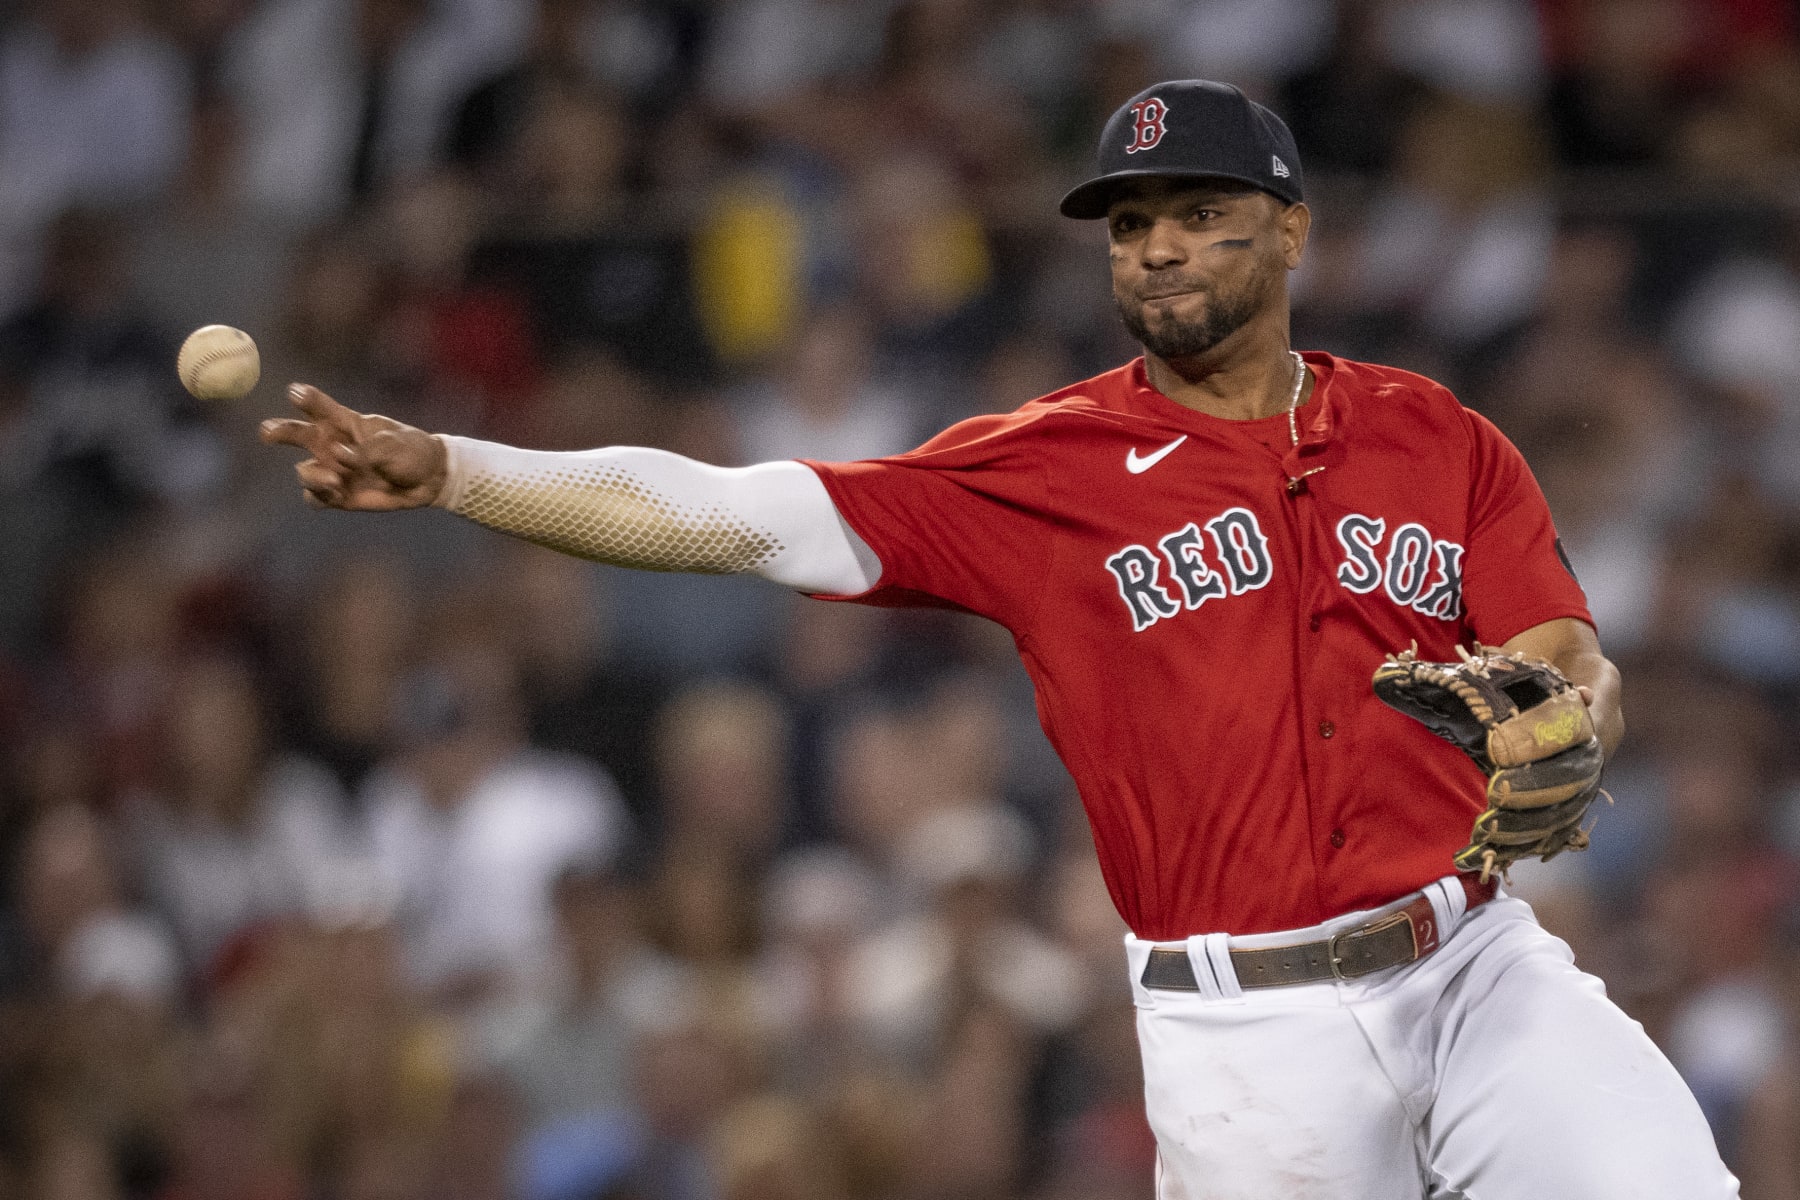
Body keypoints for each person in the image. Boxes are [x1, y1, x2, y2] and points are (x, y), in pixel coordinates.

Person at [263, 80, 1739, 1199]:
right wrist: (461, 470)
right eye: (1132, 224)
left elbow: (1561, 652)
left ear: (1290, 228)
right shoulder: (1045, 470)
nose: (1157, 250)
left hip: (1473, 961)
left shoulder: (1436, 435)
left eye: (1198, 214)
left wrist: (1570, 712)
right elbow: (734, 514)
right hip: (1247, 1036)